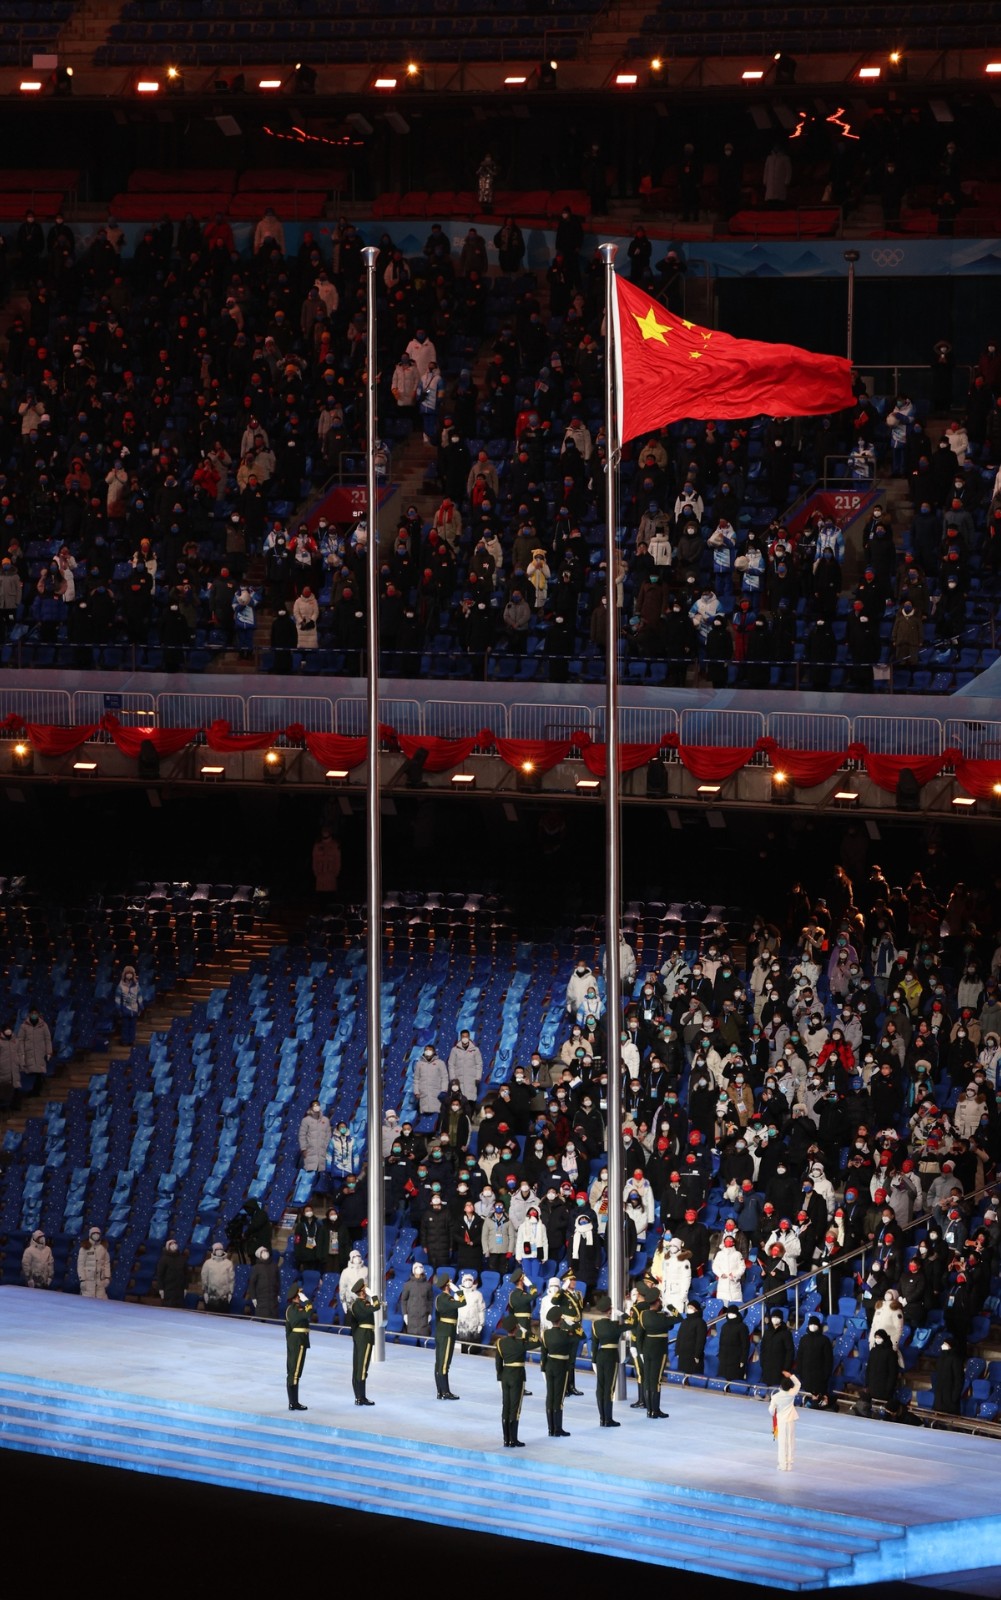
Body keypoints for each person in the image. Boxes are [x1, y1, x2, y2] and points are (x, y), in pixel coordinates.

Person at [495, 1313, 527, 1447]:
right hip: (517, 1376)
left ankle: (506, 1439)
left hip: (505, 1376)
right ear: (516, 1328)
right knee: (515, 1409)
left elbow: (498, 1363)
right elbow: (536, 1341)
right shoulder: (521, 1342)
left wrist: (500, 1378)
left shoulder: (500, 1343)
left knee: (505, 1407)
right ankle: (513, 1439)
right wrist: (523, 1330)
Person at [541, 1305, 574, 1437]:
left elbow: (544, 1352)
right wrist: (571, 1323)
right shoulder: (565, 1334)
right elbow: (581, 1335)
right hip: (561, 1366)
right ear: (561, 1319)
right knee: (558, 1398)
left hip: (549, 1366)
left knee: (550, 1396)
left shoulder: (546, 1334)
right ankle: (558, 1429)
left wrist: (543, 1368)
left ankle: (551, 1428)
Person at [590, 1292, 622, 1426]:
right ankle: (608, 1419)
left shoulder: (595, 1325)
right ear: (610, 1310)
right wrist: (621, 1314)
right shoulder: (615, 1325)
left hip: (600, 1355)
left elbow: (594, 1345)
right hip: (611, 1356)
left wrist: (593, 1360)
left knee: (600, 1387)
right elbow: (633, 1323)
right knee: (609, 1388)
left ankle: (602, 1418)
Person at [638, 1290, 671, 1418]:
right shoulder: (663, 1316)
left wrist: (640, 1351)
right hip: (659, 1351)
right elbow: (678, 1318)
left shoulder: (643, 1315)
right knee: (656, 1381)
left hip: (646, 1350)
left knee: (647, 1380)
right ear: (658, 1302)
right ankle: (655, 1411)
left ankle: (649, 1410)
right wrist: (670, 1307)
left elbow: (640, 1335)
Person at [349, 1279, 381, 1404]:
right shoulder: (362, 1304)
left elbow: (353, 1324)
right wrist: (373, 1295)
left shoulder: (355, 1304)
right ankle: (361, 1397)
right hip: (365, 1335)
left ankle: (358, 1396)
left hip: (359, 1335)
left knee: (357, 1366)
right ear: (362, 1291)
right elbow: (376, 1307)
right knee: (362, 1367)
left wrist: (356, 1336)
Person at [433, 1273, 463, 1399]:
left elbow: (437, 1316)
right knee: (445, 1363)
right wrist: (457, 1290)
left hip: (440, 1330)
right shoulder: (447, 1299)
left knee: (439, 1362)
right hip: (448, 1332)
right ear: (447, 1285)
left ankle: (440, 1391)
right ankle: (445, 1392)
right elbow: (463, 1302)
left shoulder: (438, 1298)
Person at [286, 1285, 312, 1411]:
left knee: (292, 1370)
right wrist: (306, 1300)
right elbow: (309, 1312)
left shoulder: (289, 1309)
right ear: (297, 1296)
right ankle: (294, 1402)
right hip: (299, 1341)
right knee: (296, 1372)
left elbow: (287, 1329)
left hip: (292, 1340)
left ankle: (293, 1402)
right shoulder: (298, 1309)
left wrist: (289, 1342)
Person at [769, 1371, 801, 1470]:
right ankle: (790, 1464)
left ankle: (782, 1464)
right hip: (790, 1419)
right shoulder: (792, 1393)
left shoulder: (776, 1397)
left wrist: (774, 1412)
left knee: (782, 1442)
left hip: (781, 1421)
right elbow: (798, 1384)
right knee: (790, 1441)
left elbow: (771, 1410)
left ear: (781, 1386)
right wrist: (790, 1376)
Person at [17, 1006, 52, 1087]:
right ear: (29, 1014)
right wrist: (21, 1052)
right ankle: (30, 1089)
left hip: (40, 1053)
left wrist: (49, 1052)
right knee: (30, 1072)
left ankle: (38, 1088)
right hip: (28, 1053)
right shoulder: (24, 1026)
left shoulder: (44, 1025)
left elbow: (47, 1039)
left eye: (35, 1013)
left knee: (39, 1073)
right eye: (32, 1013)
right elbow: (20, 1040)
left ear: (38, 1014)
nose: (34, 1015)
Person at [400, 1260, 434, 1338]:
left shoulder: (428, 1285)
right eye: (416, 1268)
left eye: (420, 1267)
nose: (418, 1269)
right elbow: (404, 1300)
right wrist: (405, 1314)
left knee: (423, 1339)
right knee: (411, 1340)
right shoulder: (408, 1285)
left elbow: (430, 1300)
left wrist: (430, 1313)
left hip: (424, 1317)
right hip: (411, 1316)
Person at [932, 1337, 965, 1415]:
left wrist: (954, 1397)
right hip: (940, 1397)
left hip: (950, 1398)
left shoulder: (956, 1359)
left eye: (945, 1344)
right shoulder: (941, 1358)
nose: (943, 1345)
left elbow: (959, 1380)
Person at [298, 1099, 331, 1176]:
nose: (316, 1107)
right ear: (311, 1107)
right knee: (310, 1172)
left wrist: (326, 1146)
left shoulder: (326, 1120)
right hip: (310, 1150)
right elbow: (302, 1135)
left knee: (321, 1172)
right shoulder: (306, 1120)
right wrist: (303, 1148)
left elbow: (328, 1134)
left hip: (323, 1150)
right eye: (314, 1105)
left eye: (317, 1105)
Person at [152, 1238, 188, 1308]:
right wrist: (161, 1288)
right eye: (171, 1244)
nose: (174, 1245)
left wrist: (186, 1287)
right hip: (168, 1289)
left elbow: (186, 1274)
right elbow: (160, 1275)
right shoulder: (163, 1259)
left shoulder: (182, 1259)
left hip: (179, 1290)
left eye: (175, 1243)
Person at [675, 1300, 707, 1376]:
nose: (689, 1309)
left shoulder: (700, 1322)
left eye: (691, 1307)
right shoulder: (685, 1321)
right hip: (683, 1354)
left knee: (693, 1376)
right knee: (682, 1375)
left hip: (693, 1356)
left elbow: (701, 1340)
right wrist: (677, 1351)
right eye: (688, 1307)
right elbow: (679, 1337)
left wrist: (697, 1355)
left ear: (697, 1309)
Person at [248, 1246, 281, 1319]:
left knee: (273, 1317)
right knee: (261, 1317)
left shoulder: (274, 1266)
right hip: (261, 1298)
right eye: (262, 1252)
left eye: (266, 1251)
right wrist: (253, 1297)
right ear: (259, 1255)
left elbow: (278, 1281)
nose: (265, 1253)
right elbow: (252, 1283)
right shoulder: (256, 1267)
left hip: (273, 1297)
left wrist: (278, 1294)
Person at [77, 1226, 111, 1299]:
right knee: (87, 1301)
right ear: (90, 1235)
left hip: (100, 1282)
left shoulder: (103, 1248)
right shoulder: (84, 1248)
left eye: (98, 1233)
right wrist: (82, 1280)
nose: (96, 1235)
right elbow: (80, 1265)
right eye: (94, 1233)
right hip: (88, 1281)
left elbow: (107, 1264)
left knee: (102, 1301)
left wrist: (107, 1277)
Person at [115, 964, 144, 1046]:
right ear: (124, 974)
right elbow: (117, 998)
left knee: (133, 1026)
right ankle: (125, 1041)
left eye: (130, 973)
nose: (129, 975)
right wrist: (118, 1008)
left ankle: (131, 1040)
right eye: (127, 973)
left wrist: (141, 1007)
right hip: (125, 1009)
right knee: (125, 1026)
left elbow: (139, 996)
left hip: (134, 1009)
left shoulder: (136, 985)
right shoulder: (120, 985)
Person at [201, 1242, 234, 1312]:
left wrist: (230, 1292)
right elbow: (204, 1279)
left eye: (221, 1249)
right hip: (211, 1297)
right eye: (217, 1249)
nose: (219, 1251)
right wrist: (205, 1292)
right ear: (213, 1251)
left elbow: (231, 1279)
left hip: (224, 1297)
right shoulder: (208, 1263)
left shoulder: (228, 1263)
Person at [312, 827, 341, 902]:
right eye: (324, 830)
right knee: (321, 901)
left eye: (327, 830)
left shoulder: (335, 845)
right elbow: (314, 861)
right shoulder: (317, 845)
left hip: (331, 878)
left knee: (331, 902)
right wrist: (316, 873)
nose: (325, 832)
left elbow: (338, 862)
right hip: (320, 879)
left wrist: (335, 874)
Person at [456, 1273, 485, 1346]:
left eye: (469, 1280)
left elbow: (481, 1310)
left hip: (474, 1326)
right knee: (461, 1348)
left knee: (473, 1348)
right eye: (466, 1280)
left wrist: (481, 1324)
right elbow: (456, 1310)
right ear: (462, 1282)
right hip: (461, 1326)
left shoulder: (478, 1294)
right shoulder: (459, 1294)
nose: (468, 1281)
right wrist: (455, 1325)